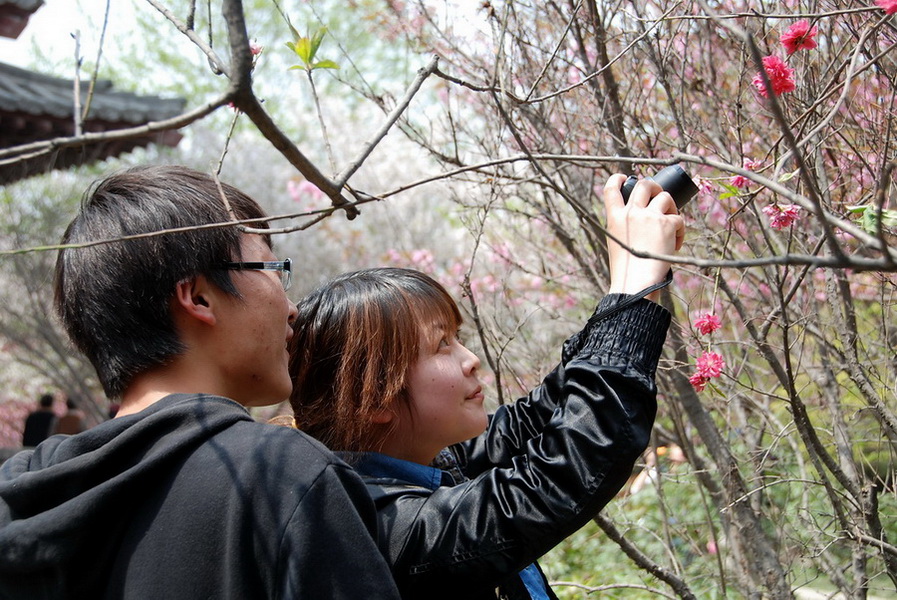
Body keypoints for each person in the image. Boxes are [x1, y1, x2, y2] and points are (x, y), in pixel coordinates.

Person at [0, 166, 400, 599]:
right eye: (271, 267)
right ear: (199, 297)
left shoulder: (22, 489)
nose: (291, 308)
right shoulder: (282, 476)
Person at [286, 175, 684, 599]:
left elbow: (535, 418)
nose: (469, 359)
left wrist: (628, 277)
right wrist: (635, 288)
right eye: (442, 345)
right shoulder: (375, 527)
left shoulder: (427, 463)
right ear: (375, 397)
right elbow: (563, 472)